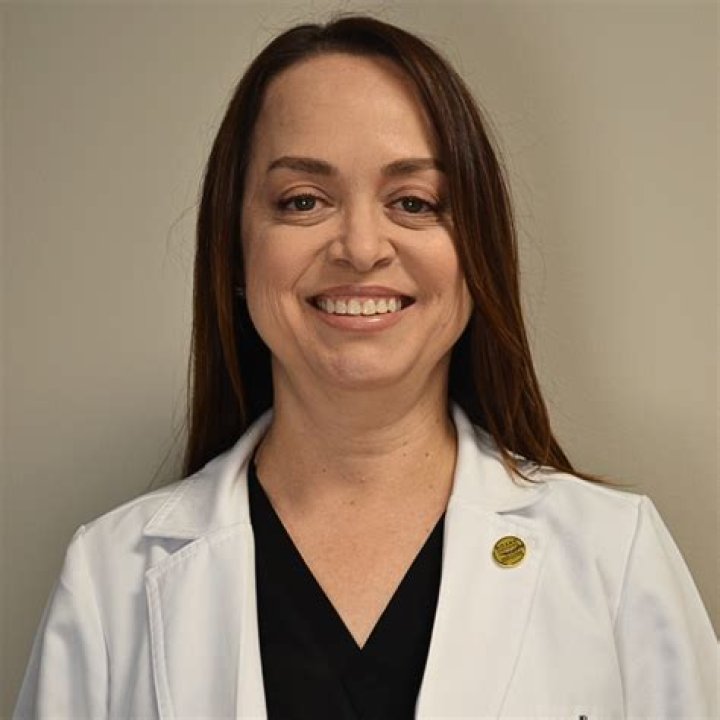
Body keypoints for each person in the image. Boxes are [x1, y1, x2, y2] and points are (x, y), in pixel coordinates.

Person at [14, 15, 717, 720]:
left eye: (413, 202)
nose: (360, 247)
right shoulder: (110, 581)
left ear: (476, 250)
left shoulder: (612, 557)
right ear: (234, 251)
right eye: (303, 201)